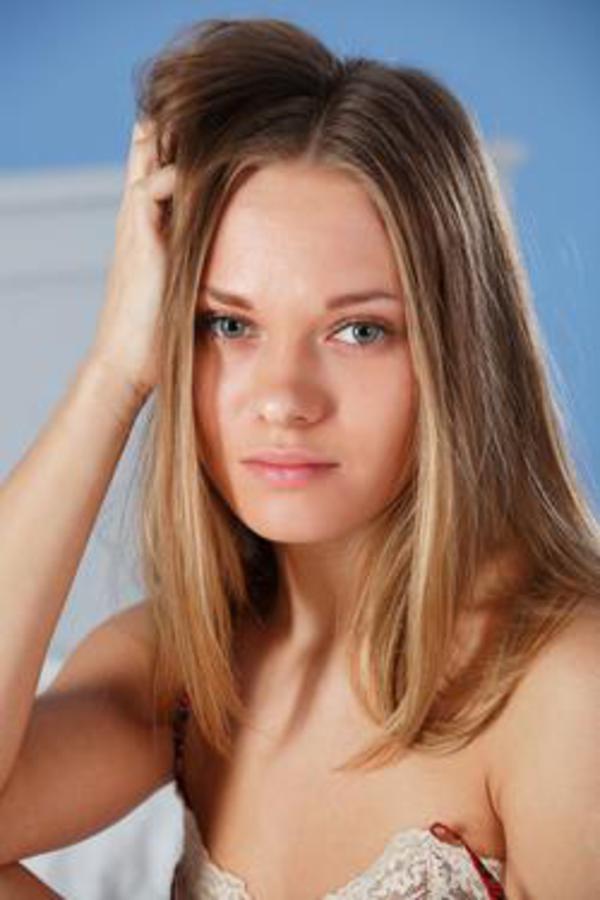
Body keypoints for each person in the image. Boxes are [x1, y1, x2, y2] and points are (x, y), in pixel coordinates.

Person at [0, 16, 599, 900]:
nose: (284, 398)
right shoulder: (188, 665)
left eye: (359, 331)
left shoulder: (565, 687)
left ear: (460, 356)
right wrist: (115, 373)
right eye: (228, 324)